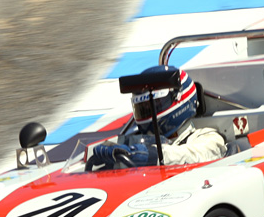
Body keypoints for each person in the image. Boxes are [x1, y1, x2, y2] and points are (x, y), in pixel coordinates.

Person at [92, 66, 226, 167]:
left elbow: (193, 155)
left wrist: (151, 155)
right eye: (143, 108)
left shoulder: (209, 137)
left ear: (180, 100)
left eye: (154, 105)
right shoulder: (134, 142)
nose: (148, 111)